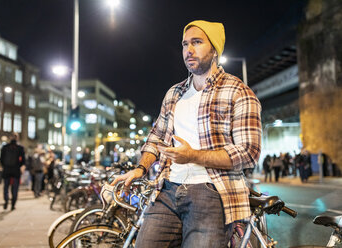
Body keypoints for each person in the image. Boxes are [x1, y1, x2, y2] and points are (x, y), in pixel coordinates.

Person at [112, 20, 261, 247]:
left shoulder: (238, 92)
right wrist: (140, 168)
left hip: (212, 192)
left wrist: (192, 156)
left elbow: (248, 153)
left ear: (214, 50)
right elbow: (156, 137)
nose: (188, 50)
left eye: (197, 42)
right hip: (167, 188)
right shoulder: (175, 93)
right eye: (184, 44)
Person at [0, 133, 25, 210]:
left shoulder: (5, 147)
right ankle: (13, 203)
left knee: (6, 187)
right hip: (15, 171)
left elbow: (1, 159)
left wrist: (4, 166)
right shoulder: (20, 148)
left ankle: (6, 200)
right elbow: (23, 161)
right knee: (14, 188)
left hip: (7, 170)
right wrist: (20, 167)